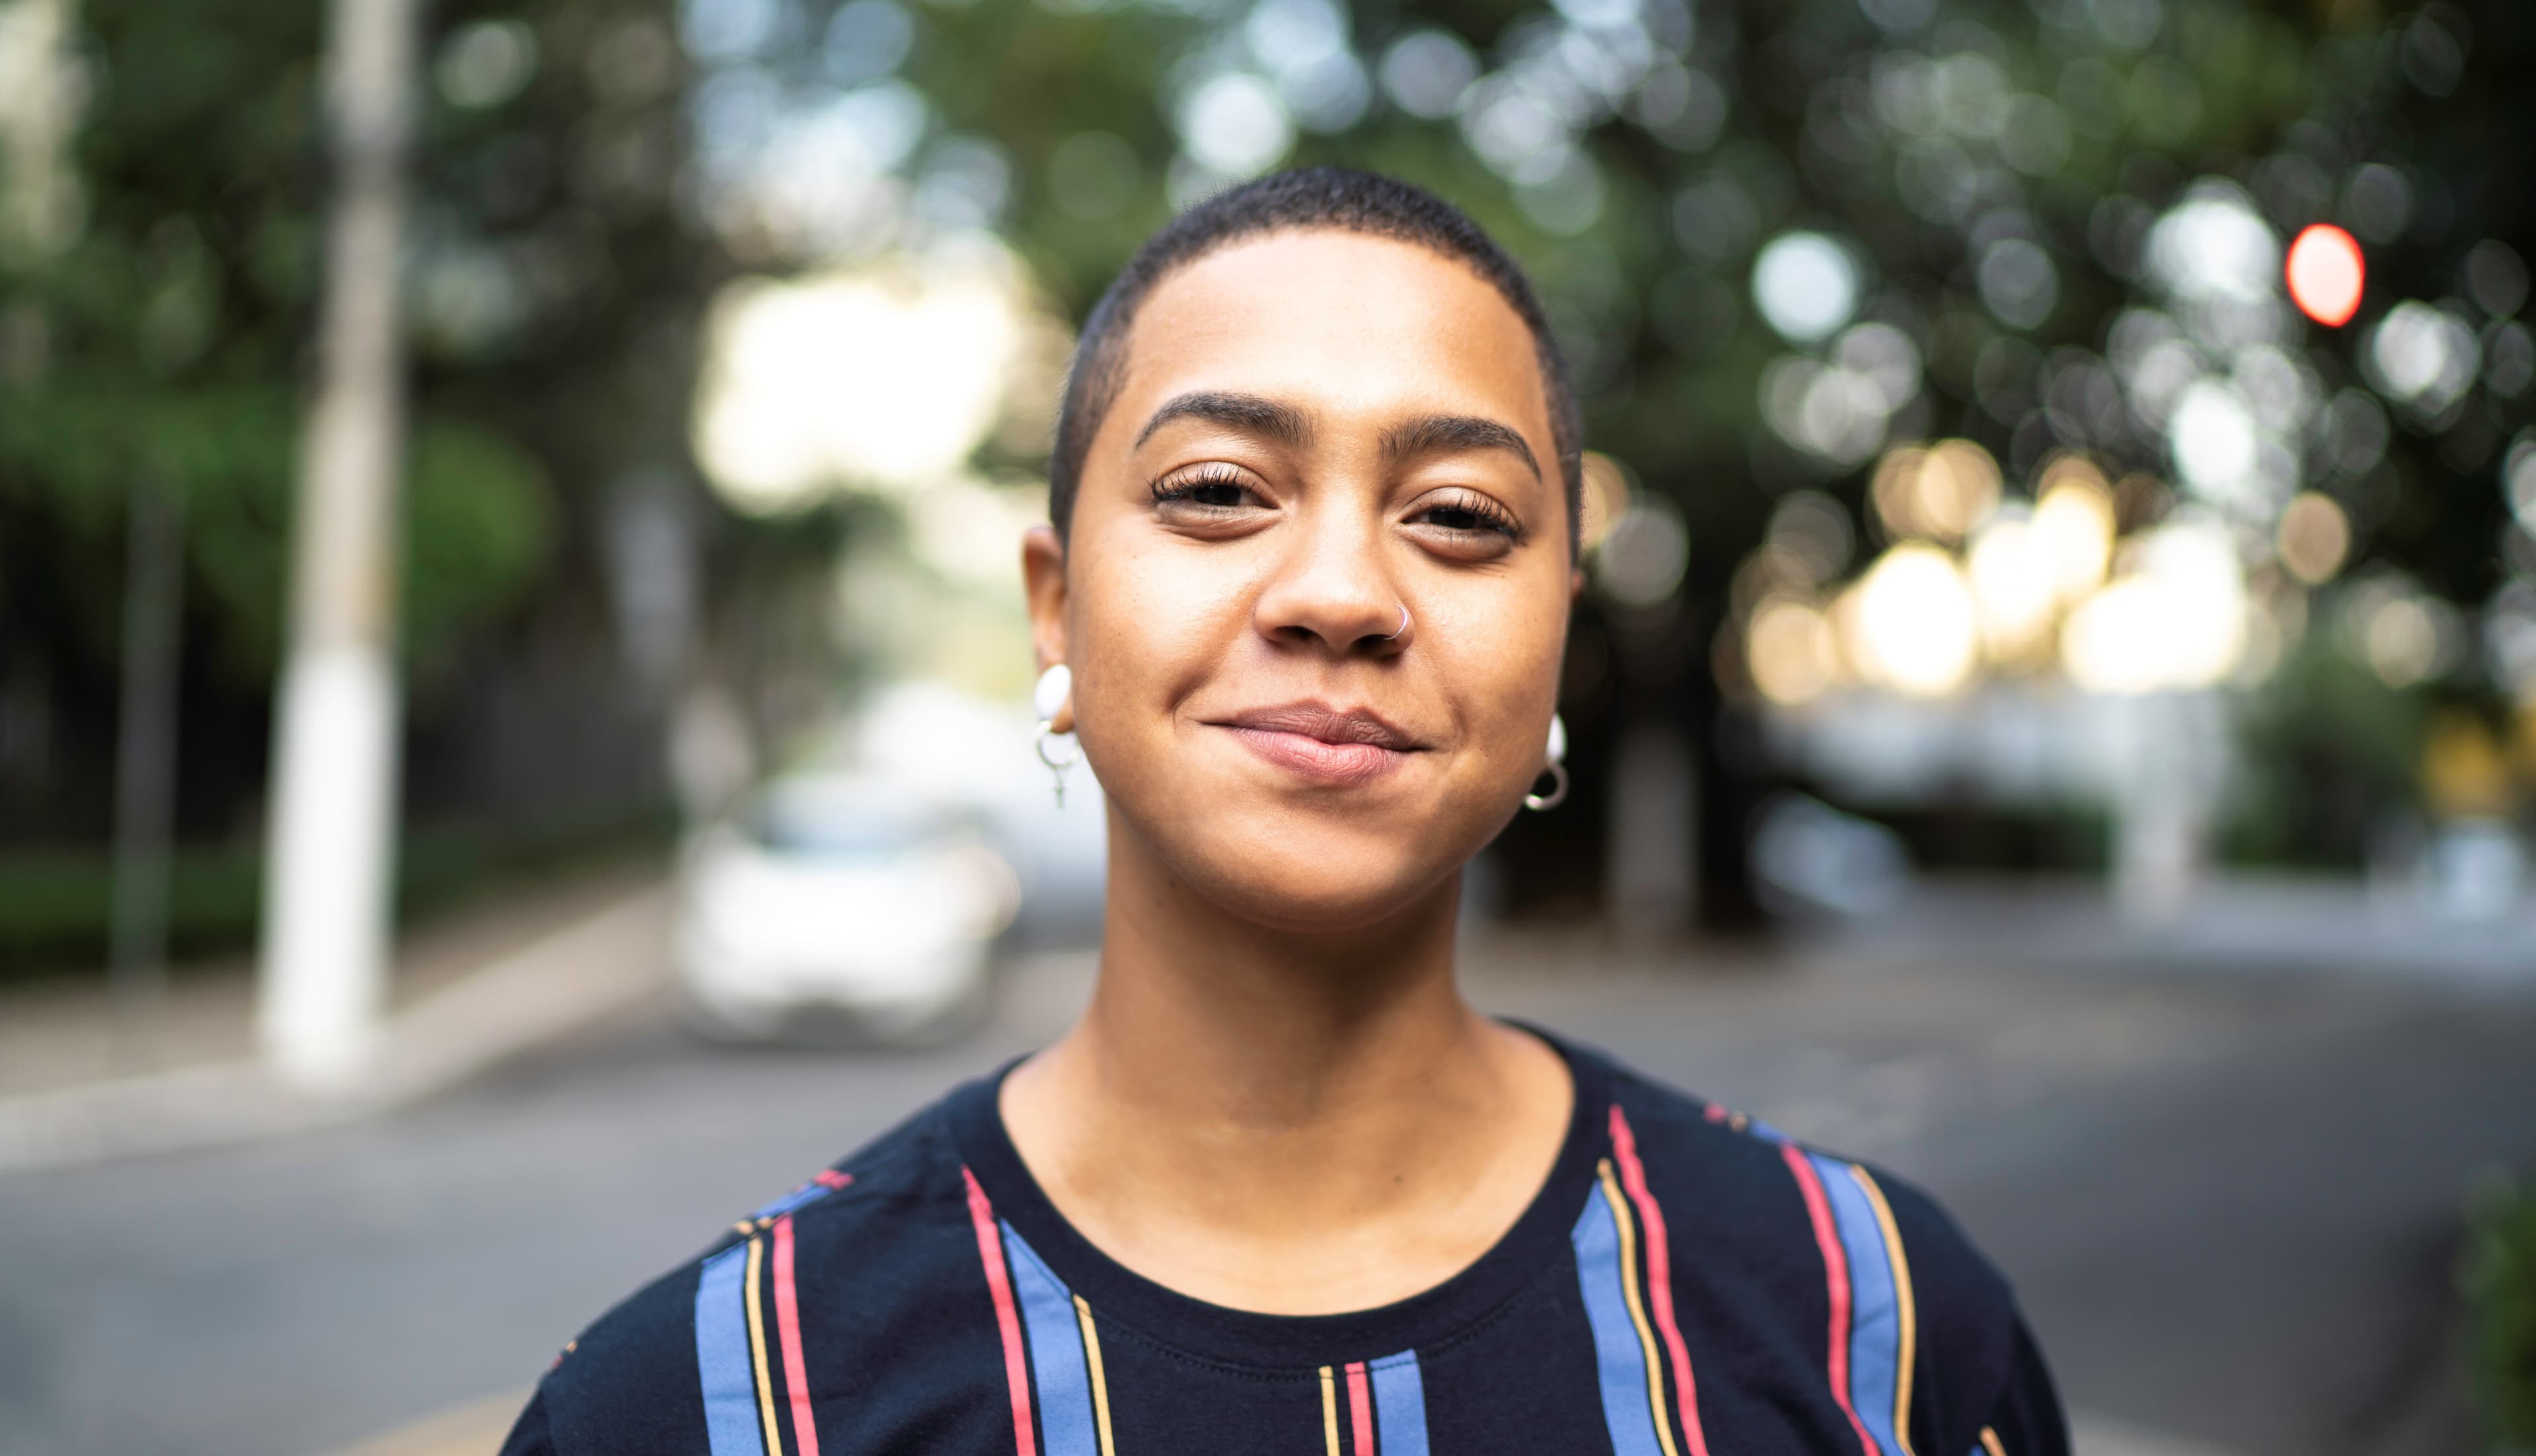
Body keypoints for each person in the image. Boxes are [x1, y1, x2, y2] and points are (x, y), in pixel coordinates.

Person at [499, 167, 2066, 1456]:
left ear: (1555, 637)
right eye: (1216, 490)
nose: (1338, 593)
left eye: (1459, 517)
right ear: (1057, 608)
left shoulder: (1881, 1330)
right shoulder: (709, 1400)